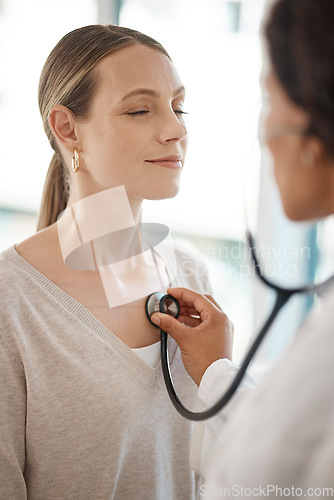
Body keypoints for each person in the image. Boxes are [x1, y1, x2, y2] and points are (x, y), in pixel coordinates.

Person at [0, 25, 213, 499]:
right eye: (140, 110)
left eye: (178, 107)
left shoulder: (193, 276)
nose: (176, 129)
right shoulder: (10, 303)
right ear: (67, 128)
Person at [151, 0, 334, 496]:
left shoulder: (186, 266)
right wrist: (216, 372)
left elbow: (274, 483)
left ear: (315, 128)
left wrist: (217, 376)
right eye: (138, 109)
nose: (177, 130)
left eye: (269, 99)